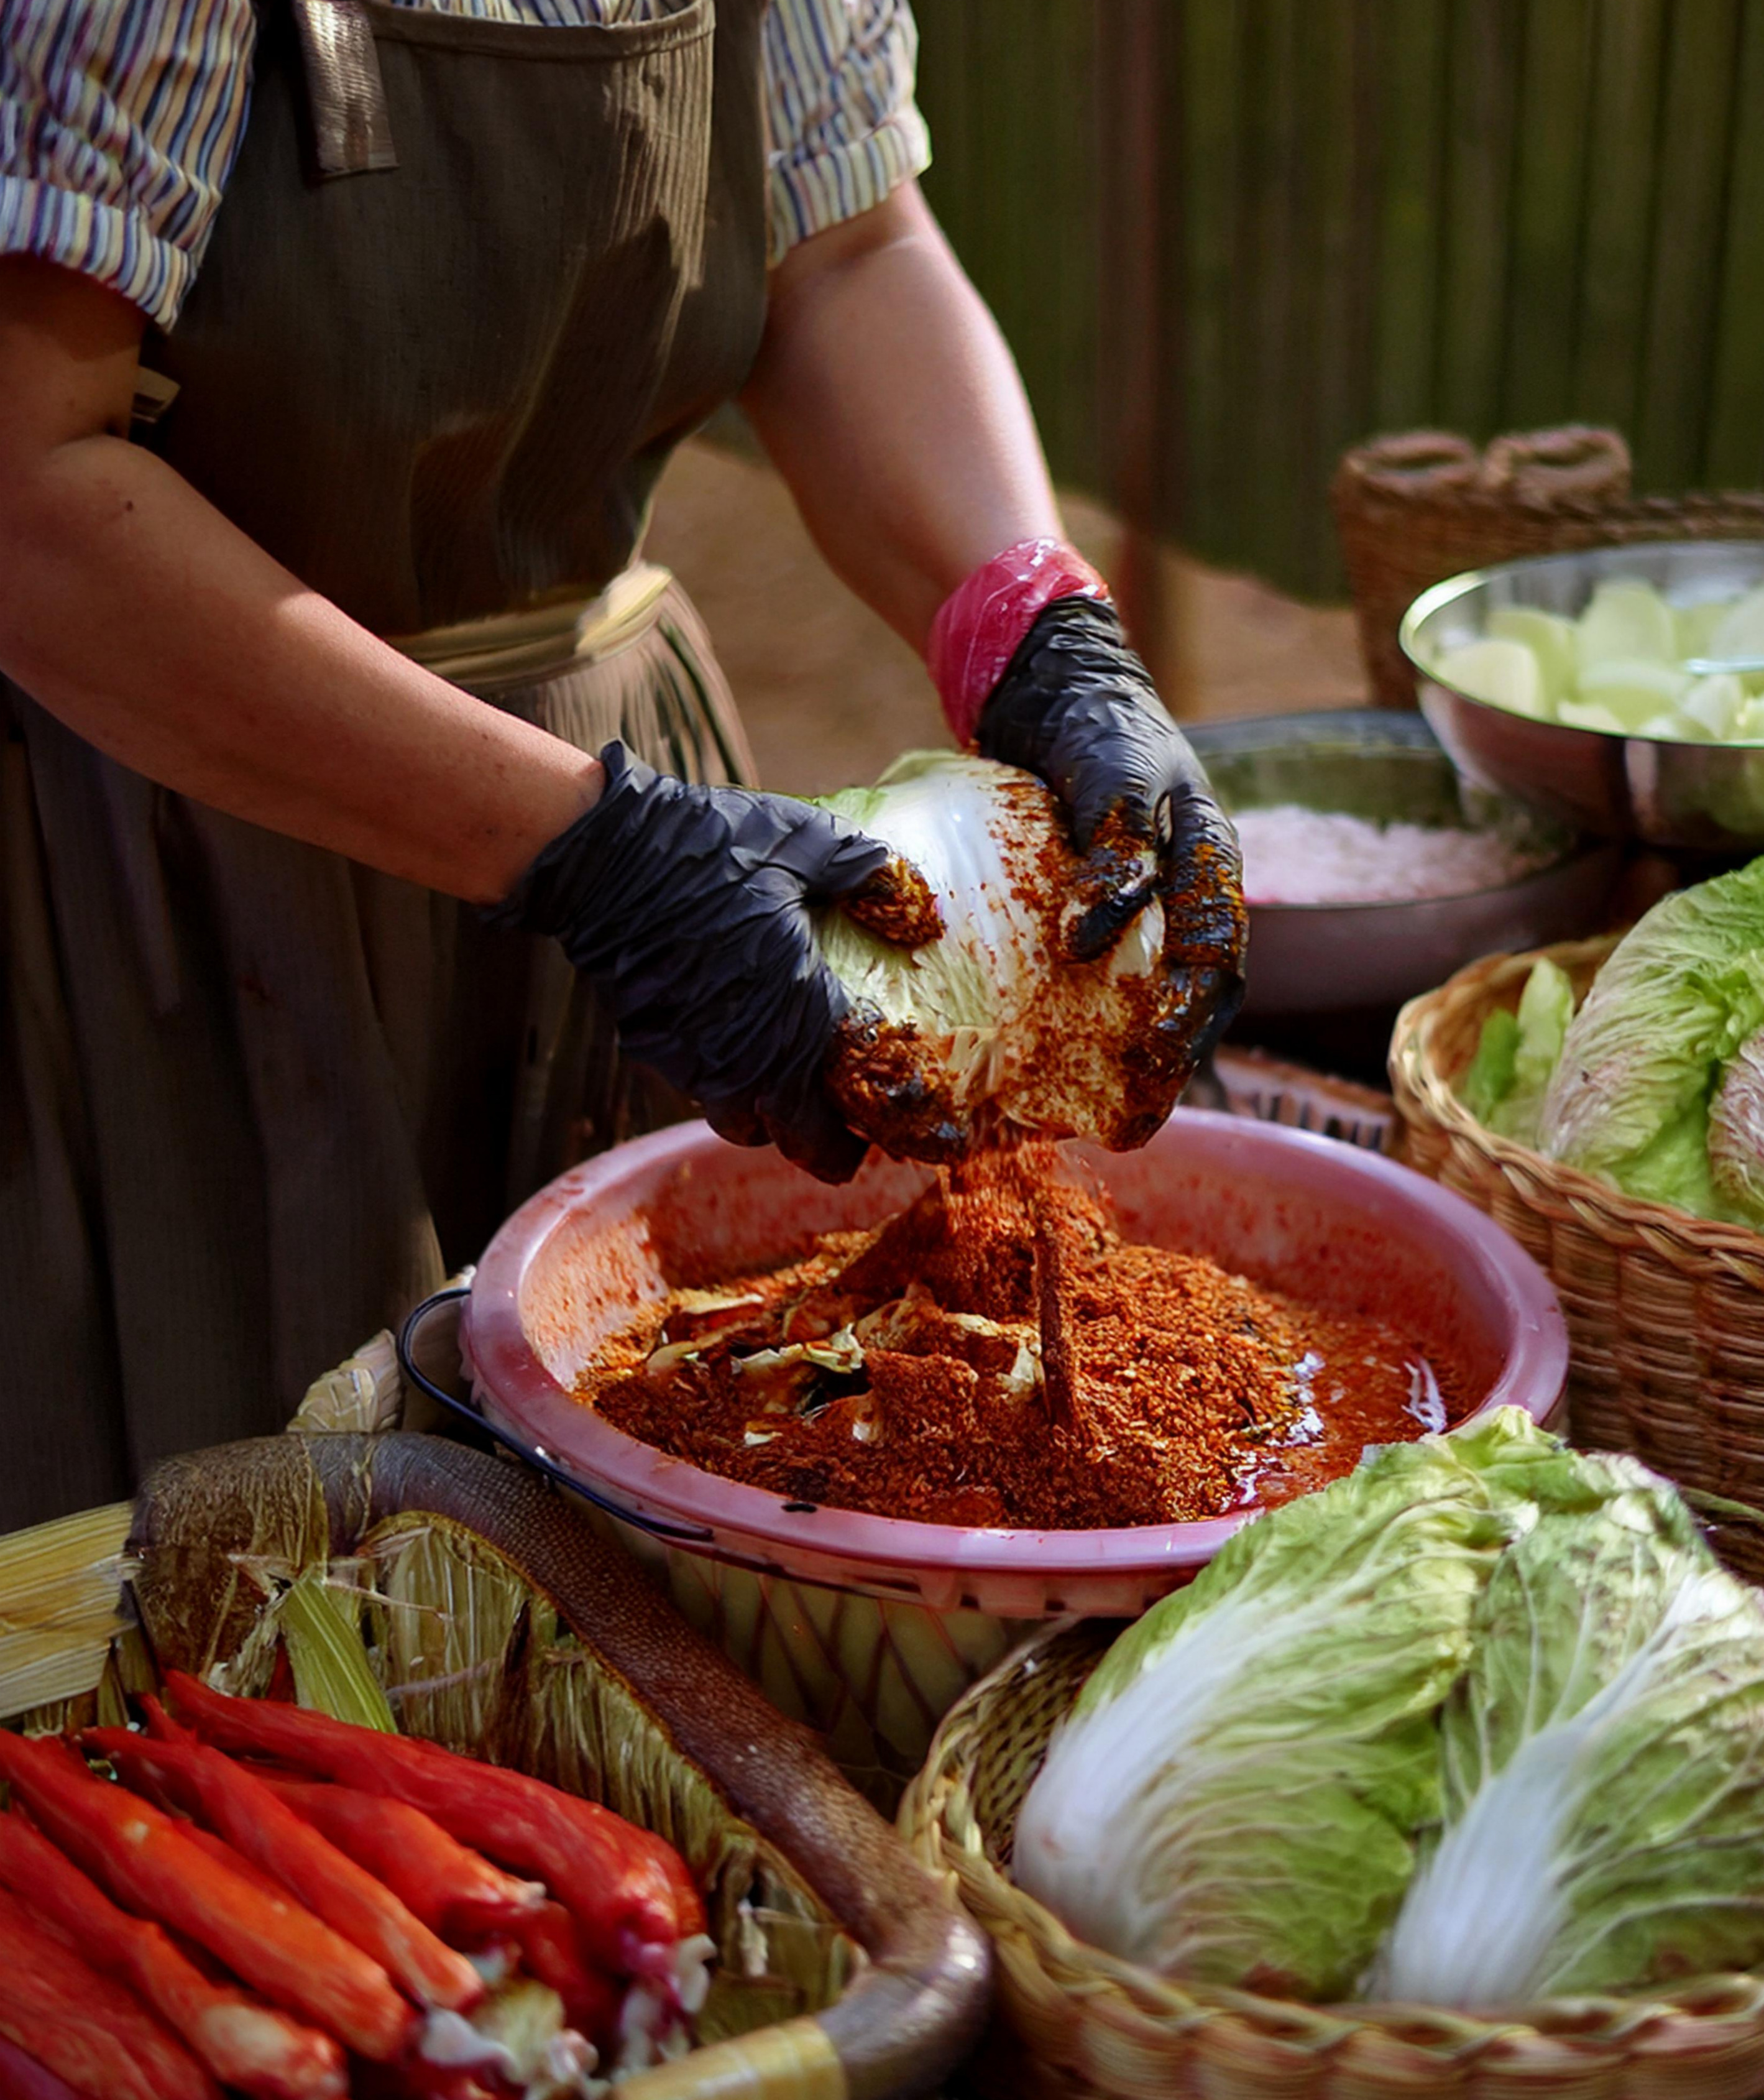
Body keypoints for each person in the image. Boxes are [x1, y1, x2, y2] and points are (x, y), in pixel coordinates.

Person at [0, 0, 1246, 1528]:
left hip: (632, 809)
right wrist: (591, 852)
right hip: (161, 852)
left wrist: (1039, 626)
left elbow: (845, 251)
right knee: (223, 1597)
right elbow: (25, 485)